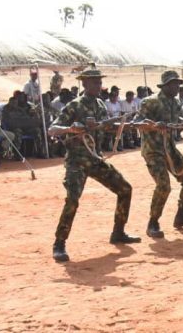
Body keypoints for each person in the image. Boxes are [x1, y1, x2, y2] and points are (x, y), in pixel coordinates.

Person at [48, 68, 140, 263]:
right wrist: (71, 128)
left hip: (95, 159)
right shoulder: (75, 105)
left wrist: (131, 125)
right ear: (84, 84)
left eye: (99, 82)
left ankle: (118, 232)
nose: (99, 85)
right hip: (77, 161)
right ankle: (59, 244)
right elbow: (52, 129)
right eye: (95, 82)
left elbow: (106, 127)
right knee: (72, 200)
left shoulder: (99, 104)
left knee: (125, 189)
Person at [137, 70, 183, 239]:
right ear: (165, 86)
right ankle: (153, 223)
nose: (177, 87)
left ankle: (181, 216)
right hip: (153, 150)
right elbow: (138, 122)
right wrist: (154, 125)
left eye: (178, 84)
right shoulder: (150, 102)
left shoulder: (175, 102)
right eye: (174, 84)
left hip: (169, 149)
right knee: (163, 185)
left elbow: (177, 121)